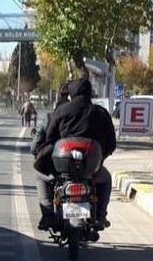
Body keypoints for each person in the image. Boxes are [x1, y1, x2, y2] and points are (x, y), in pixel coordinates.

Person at [34, 77, 116, 231]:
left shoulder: (62, 110)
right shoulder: (100, 113)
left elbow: (50, 137)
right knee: (105, 179)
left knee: (41, 175)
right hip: (91, 168)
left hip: (63, 167)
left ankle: (48, 215)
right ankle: (100, 215)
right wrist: (99, 159)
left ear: (72, 93)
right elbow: (111, 143)